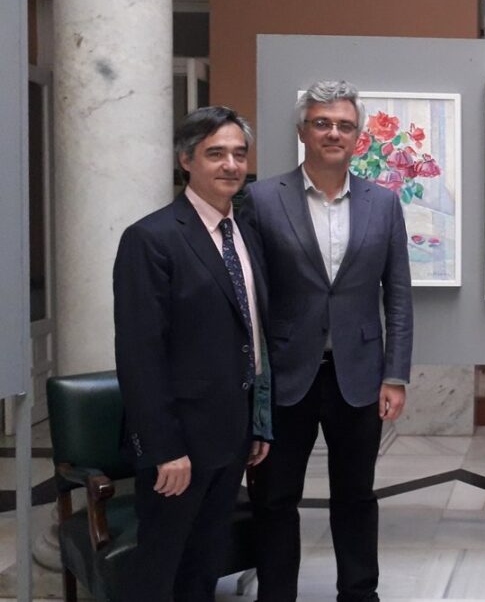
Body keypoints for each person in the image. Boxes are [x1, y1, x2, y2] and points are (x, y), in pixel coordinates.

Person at [242, 80, 413, 602]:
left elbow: (398, 296)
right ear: (302, 131)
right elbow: (250, 296)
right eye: (322, 123)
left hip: (358, 376)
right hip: (285, 375)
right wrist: (254, 379)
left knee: (356, 495)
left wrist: (396, 374)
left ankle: (359, 593)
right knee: (275, 498)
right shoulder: (262, 199)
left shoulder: (384, 203)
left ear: (358, 136)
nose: (333, 133)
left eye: (344, 125)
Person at [113, 106, 271, 602]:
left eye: (239, 154)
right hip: (179, 444)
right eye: (216, 154)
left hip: (232, 434)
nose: (231, 165)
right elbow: (140, 354)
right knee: (160, 571)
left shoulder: (244, 232)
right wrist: (165, 449)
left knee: (204, 568)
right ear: (186, 160)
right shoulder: (151, 238)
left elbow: (250, 333)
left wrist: (256, 422)